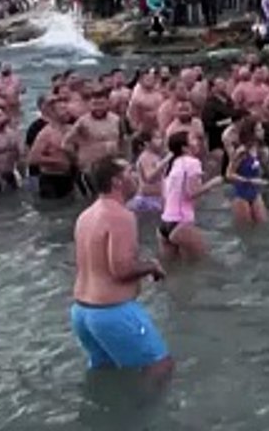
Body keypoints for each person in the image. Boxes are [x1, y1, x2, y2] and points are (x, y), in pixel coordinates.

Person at [69, 155, 171, 377]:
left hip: (82, 312)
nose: (136, 177)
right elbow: (121, 270)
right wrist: (151, 265)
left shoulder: (86, 215)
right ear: (116, 181)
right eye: (131, 172)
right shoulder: (121, 216)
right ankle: (142, 412)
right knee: (160, 368)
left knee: (106, 373)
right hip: (111, 311)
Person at [158, 131, 221, 261]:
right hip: (181, 222)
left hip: (164, 223)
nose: (197, 142)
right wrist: (213, 183)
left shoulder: (171, 164)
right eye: (193, 139)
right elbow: (191, 193)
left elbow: (165, 195)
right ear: (184, 147)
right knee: (203, 265)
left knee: (172, 272)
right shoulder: (192, 163)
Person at [28, 97, 76, 200]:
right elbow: (33, 158)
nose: (67, 112)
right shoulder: (46, 133)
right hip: (51, 179)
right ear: (53, 113)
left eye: (67, 109)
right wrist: (56, 162)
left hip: (69, 176)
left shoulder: (71, 129)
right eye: (62, 110)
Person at [226, 120, 269, 225]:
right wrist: (249, 181)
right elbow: (229, 174)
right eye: (259, 130)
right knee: (246, 230)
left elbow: (263, 172)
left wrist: (266, 159)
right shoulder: (242, 151)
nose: (263, 131)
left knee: (263, 225)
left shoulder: (260, 150)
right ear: (251, 133)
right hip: (241, 194)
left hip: (255, 193)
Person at [129, 131, 166, 214]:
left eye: (160, 138)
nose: (161, 141)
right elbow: (149, 177)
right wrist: (164, 163)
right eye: (156, 138)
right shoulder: (145, 157)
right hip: (148, 199)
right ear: (146, 143)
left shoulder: (155, 156)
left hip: (157, 197)